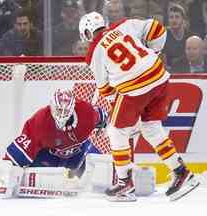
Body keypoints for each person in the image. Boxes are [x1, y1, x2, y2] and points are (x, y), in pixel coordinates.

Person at [79, 11, 200, 201]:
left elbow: (105, 89)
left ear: (86, 34)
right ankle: (182, 172)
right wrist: (153, 53)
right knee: (151, 128)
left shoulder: (94, 51)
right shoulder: (124, 25)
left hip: (135, 87)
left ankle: (124, 183)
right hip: (159, 75)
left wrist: (121, 114)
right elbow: (157, 28)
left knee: (115, 130)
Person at [3, 88, 106, 178]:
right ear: (51, 105)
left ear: (73, 107)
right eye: (58, 109)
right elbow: (17, 154)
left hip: (79, 152)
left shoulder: (87, 112)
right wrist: (3, 173)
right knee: (37, 178)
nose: (61, 114)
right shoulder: (40, 121)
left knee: (103, 170)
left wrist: (105, 121)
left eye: (65, 111)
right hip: (49, 156)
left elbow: (102, 116)